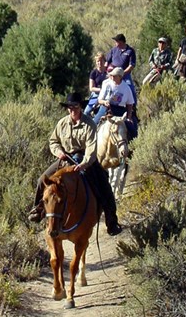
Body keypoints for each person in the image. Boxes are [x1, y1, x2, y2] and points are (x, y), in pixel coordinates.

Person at [28, 92, 122, 236]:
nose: (73, 110)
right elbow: (53, 141)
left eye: (75, 107)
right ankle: (38, 209)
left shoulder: (89, 124)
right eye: (70, 107)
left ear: (81, 107)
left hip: (85, 159)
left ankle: (111, 222)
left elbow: (91, 147)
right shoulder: (62, 123)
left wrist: (84, 163)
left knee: (105, 187)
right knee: (42, 180)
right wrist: (58, 152)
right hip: (65, 158)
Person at [93, 67, 137, 139]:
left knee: (132, 131)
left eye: (114, 76)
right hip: (105, 108)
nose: (112, 77)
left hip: (120, 110)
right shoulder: (106, 83)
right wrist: (104, 102)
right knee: (93, 124)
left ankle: (131, 147)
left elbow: (129, 104)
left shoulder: (126, 88)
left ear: (120, 77)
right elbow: (99, 99)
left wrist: (128, 117)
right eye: (111, 75)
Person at [105, 33, 137, 103]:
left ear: (121, 42)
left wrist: (122, 73)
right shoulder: (113, 50)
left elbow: (131, 65)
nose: (115, 43)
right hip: (112, 74)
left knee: (130, 88)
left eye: (116, 41)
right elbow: (107, 62)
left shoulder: (130, 51)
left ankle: (133, 106)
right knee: (105, 86)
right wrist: (107, 71)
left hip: (125, 75)